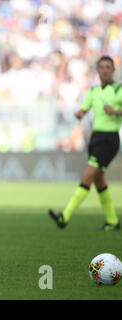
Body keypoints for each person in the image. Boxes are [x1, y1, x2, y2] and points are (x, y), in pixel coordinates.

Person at [49, 56, 122, 231]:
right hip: (95, 138)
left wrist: (117, 112)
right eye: (101, 67)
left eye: (107, 67)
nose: (104, 70)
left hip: (109, 139)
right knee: (99, 180)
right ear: (97, 70)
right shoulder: (93, 91)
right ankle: (112, 220)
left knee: (87, 176)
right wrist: (78, 114)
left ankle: (65, 216)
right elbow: (83, 110)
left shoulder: (119, 89)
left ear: (113, 70)